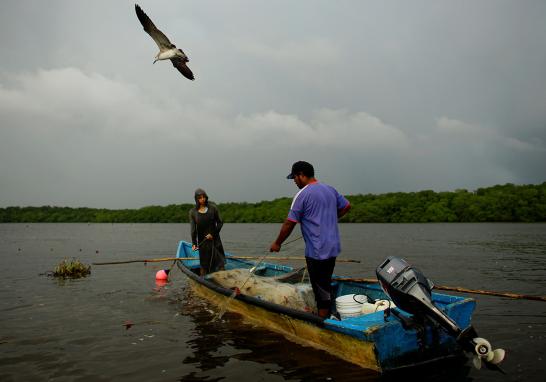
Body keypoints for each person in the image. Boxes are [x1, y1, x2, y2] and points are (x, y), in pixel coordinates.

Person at [270, 161, 351, 318]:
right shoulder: (330, 189)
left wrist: (277, 243)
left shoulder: (302, 194)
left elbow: (289, 223)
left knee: (320, 289)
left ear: (301, 175)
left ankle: (322, 321)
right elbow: (347, 206)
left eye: (294, 178)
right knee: (324, 282)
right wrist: (331, 219)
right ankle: (326, 312)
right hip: (332, 247)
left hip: (317, 250)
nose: (294, 181)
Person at [189, 188, 226, 276]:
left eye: (204, 197)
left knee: (220, 264)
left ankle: (224, 281)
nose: (202, 199)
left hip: (215, 240)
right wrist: (194, 243)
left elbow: (220, 223)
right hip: (203, 241)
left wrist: (213, 234)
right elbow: (193, 229)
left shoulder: (213, 208)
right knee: (204, 265)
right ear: (196, 199)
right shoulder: (193, 212)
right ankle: (203, 282)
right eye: (200, 198)